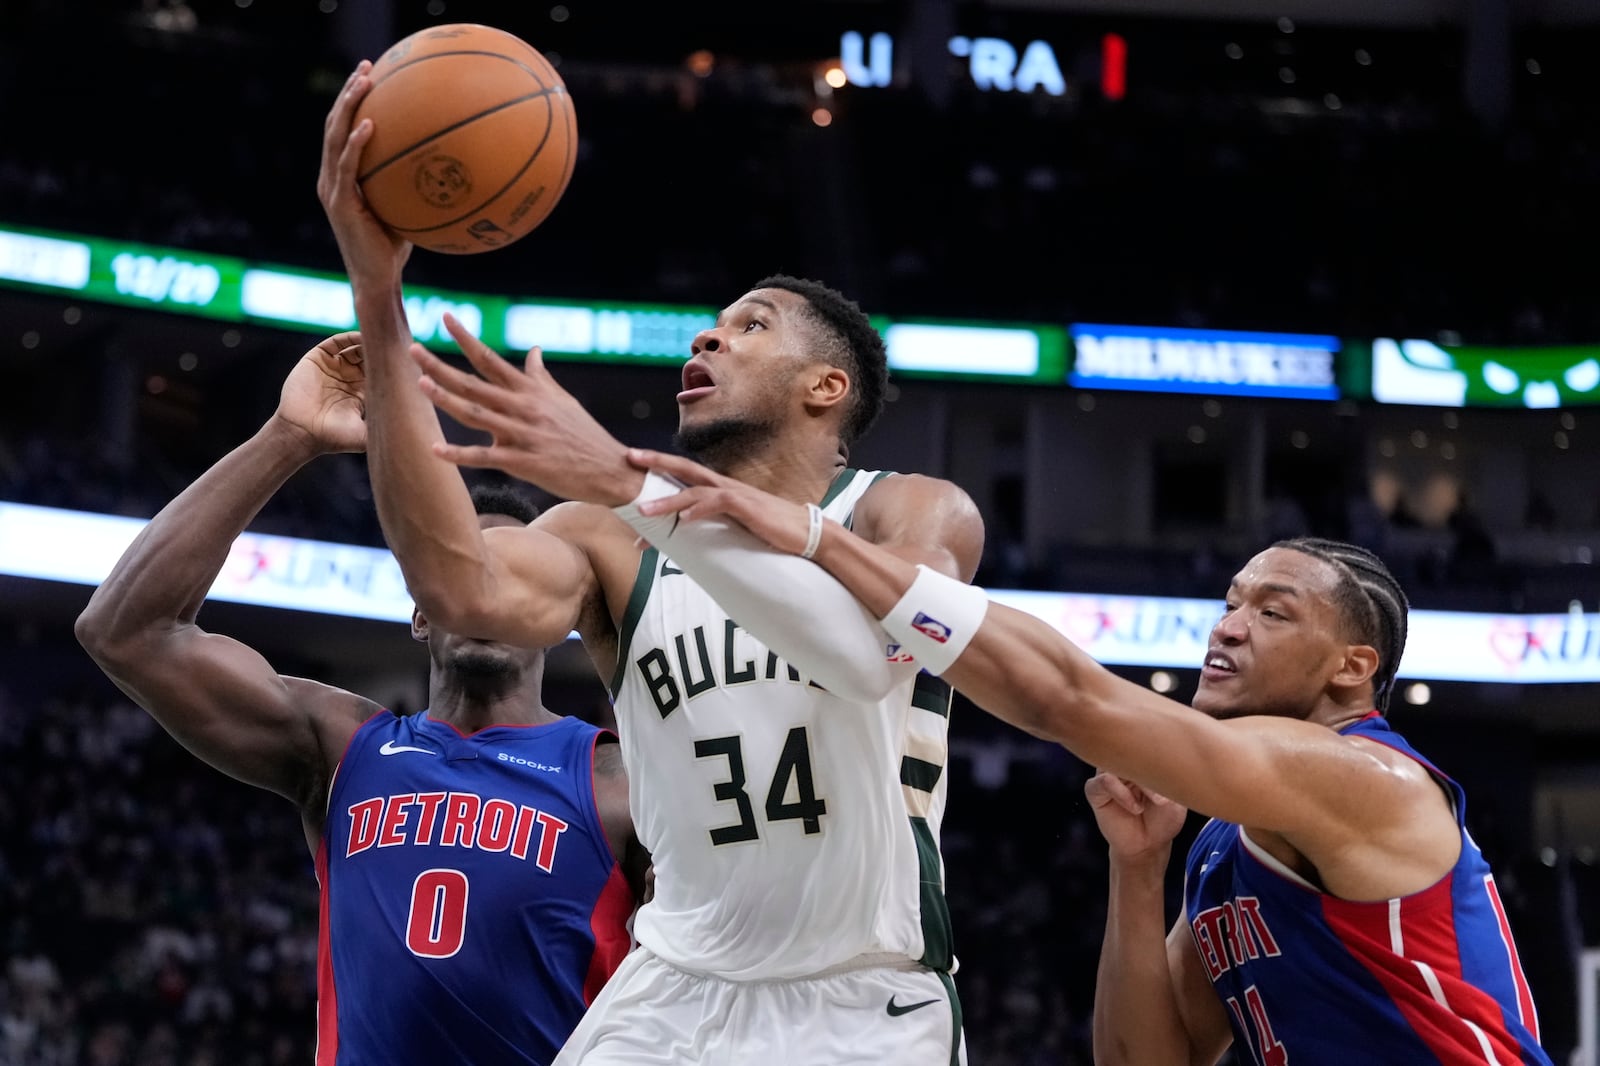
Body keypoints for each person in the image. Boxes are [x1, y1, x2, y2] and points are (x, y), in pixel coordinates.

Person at [318, 61, 985, 1064]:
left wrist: (637, 492)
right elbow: (457, 584)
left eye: (751, 324)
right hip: (671, 976)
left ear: (825, 385)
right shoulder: (608, 536)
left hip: (859, 989)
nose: (712, 333)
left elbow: (859, 653)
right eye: (716, 321)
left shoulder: (906, 509)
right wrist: (379, 292)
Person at [617, 448, 1554, 1066]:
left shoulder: (1363, 777)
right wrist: (1139, 867)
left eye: (1273, 612)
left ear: (1356, 669)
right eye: (1230, 602)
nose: (1228, 628)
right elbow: (1145, 1061)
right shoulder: (1232, 841)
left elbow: (1071, 699)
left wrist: (823, 540)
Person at [74, 332, 648, 1066]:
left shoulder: (623, 781)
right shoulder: (341, 746)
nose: (482, 599)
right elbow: (126, 631)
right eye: (461, 576)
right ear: (419, 610)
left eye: (510, 585)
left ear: (556, 616)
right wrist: (287, 438)